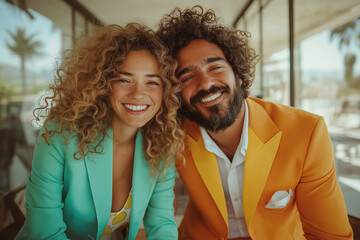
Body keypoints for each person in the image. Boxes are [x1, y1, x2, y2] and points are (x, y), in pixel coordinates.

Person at [156, 5, 353, 240]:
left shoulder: (306, 132)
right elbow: (158, 213)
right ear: (176, 92)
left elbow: (330, 235)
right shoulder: (170, 134)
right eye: (187, 77)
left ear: (238, 73)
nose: (206, 83)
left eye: (216, 67)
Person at [15, 23, 184, 240]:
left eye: (152, 82)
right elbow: (45, 231)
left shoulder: (162, 144)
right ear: (103, 83)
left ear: (165, 91)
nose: (138, 94)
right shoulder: (60, 133)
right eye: (124, 80)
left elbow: (163, 226)